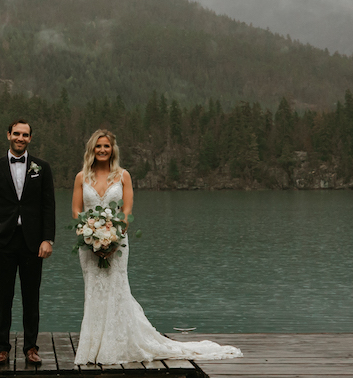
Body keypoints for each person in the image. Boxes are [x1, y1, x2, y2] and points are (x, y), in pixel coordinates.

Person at [72, 129, 241, 365]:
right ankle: (93, 347)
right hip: (88, 244)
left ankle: (116, 344)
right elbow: (77, 210)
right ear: (92, 149)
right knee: (94, 291)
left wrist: (114, 236)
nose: (102, 150)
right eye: (98, 146)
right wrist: (88, 233)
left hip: (116, 242)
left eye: (106, 146)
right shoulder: (82, 177)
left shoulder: (123, 176)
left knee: (116, 289)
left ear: (113, 150)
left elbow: (127, 210)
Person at [0, 119, 55, 365]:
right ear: (8, 135)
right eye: (16, 134)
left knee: (31, 297)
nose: (20, 138)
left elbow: (48, 206)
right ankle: (2, 348)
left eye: (25, 135)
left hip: (34, 243)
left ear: (30, 139)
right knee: (4, 296)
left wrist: (48, 239)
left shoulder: (42, 168)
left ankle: (31, 348)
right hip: (4, 241)